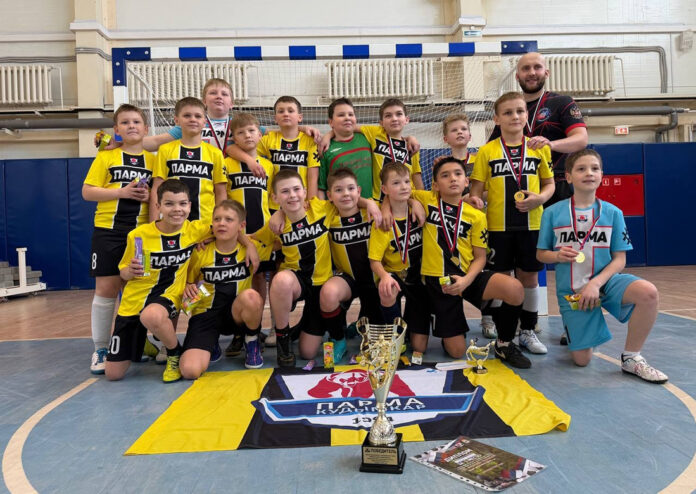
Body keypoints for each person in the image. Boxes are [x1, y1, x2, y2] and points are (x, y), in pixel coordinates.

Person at [536, 149, 668, 384]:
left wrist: (596, 284)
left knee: (648, 293)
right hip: (574, 292)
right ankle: (578, 325)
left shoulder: (613, 213)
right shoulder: (552, 213)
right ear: (569, 177)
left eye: (594, 168)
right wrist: (556, 256)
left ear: (601, 175)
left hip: (606, 283)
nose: (589, 173)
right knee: (582, 360)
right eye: (581, 169)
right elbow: (541, 254)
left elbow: (620, 259)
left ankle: (632, 357)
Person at [253, 169, 380, 367]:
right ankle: (283, 340)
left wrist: (370, 202)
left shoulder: (322, 208)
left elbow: (348, 198)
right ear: (275, 198)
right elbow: (253, 240)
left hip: (322, 286)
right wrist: (239, 240)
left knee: (307, 352)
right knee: (281, 280)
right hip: (297, 282)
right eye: (285, 192)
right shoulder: (276, 224)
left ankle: (306, 326)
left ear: (305, 192)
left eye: (296, 189)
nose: (292, 195)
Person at [412, 157, 527, 365]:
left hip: (467, 276)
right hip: (439, 282)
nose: (452, 179)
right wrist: (413, 202)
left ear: (466, 182)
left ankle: (504, 344)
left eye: (458, 174)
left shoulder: (477, 216)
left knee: (515, 288)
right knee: (456, 352)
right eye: (445, 175)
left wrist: (466, 281)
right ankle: (446, 321)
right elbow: (398, 194)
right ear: (435, 185)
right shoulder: (426, 199)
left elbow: (480, 258)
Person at [469, 92, 555, 357]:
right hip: (497, 227)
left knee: (529, 277)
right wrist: (475, 201)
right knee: (501, 280)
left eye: (519, 111)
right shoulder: (486, 151)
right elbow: (476, 191)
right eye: (507, 112)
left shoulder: (539, 147)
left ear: (526, 115)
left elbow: (549, 184)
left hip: (531, 224)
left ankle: (527, 330)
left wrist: (539, 198)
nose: (515, 116)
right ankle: (500, 329)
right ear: (496, 118)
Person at [105, 179, 212, 383]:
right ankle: (142, 342)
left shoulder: (196, 230)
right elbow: (123, 272)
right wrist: (129, 271)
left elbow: (229, 228)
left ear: (190, 206)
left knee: (151, 315)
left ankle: (174, 352)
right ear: (158, 206)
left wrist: (246, 245)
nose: (177, 209)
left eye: (182, 203)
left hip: (169, 296)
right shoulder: (138, 235)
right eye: (169, 204)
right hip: (133, 302)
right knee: (113, 375)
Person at [82, 104, 155, 374]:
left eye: (136, 121)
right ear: (116, 129)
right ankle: (101, 348)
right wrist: (121, 193)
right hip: (109, 232)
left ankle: (137, 342)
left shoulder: (154, 161)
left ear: (146, 128)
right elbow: (87, 192)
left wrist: (149, 196)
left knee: (137, 290)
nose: (131, 126)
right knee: (107, 289)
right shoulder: (107, 157)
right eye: (125, 122)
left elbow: (158, 195)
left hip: (141, 236)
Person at [180, 200, 271, 377]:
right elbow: (188, 299)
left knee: (251, 297)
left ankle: (251, 340)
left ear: (241, 225)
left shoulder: (251, 248)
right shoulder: (199, 251)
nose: (221, 223)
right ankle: (211, 343)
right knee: (190, 371)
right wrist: (189, 290)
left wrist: (249, 243)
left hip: (236, 315)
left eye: (229, 219)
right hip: (206, 315)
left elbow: (279, 241)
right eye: (217, 219)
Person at [489, 52, 588, 205]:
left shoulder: (562, 102)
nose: (532, 72)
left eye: (537, 67)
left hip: (558, 184)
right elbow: (490, 149)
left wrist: (550, 145)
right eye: (526, 68)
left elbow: (581, 139)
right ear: (517, 76)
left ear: (546, 73)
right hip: (517, 186)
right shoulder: (508, 108)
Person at [223, 112, 275, 356]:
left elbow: (272, 201)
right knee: (239, 282)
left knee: (260, 279)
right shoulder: (227, 163)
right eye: (241, 132)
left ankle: (257, 328)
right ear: (233, 138)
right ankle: (238, 332)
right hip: (237, 236)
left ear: (260, 134)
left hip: (263, 234)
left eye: (252, 130)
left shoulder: (269, 165)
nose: (247, 135)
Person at [319, 168, 384, 363]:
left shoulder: (373, 212)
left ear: (359, 190)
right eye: (338, 190)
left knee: (375, 340)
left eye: (350, 188)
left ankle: (361, 325)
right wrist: (279, 213)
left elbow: (398, 201)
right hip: (347, 280)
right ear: (330, 195)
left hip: (374, 280)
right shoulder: (327, 215)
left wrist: (370, 202)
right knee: (328, 293)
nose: (346, 194)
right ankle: (338, 339)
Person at [368, 162, 429, 349]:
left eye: (406, 182)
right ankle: (395, 333)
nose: (403, 187)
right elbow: (374, 260)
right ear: (384, 189)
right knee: (387, 288)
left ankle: (412, 323)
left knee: (419, 348)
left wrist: (414, 202)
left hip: (418, 275)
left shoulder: (421, 209)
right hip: (394, 273)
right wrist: (384, 276)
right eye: (396, 183)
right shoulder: (382, 223)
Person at [150, 97, 227, 223]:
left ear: (205, 121)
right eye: (187, 115)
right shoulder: (165, 150)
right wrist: (153, 224)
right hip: (171, 224)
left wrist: (219, 223)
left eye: (198, 116)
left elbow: (221, 193)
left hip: (204, 224)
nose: (192, 119)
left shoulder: (215, 154)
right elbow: (156, 189)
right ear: (176, 120)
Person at [250, 96, 321, 201]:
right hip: (275, 203)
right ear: (275, 118)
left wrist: (311, 202)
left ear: (300, 117)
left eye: (290, 111)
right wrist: (249, 161)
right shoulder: (268, 139)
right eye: (281, 111)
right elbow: (243, 150)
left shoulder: (310, 141)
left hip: (301, 203)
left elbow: (313, 178)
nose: (286, 114)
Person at [317, 98, 373, 199]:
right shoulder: (325, 149)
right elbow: (321, 187)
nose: (347, 118)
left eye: (351, 114)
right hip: (343, 206)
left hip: (372, 205)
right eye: (341, 115)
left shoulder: (367, 138)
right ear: (331, 122)